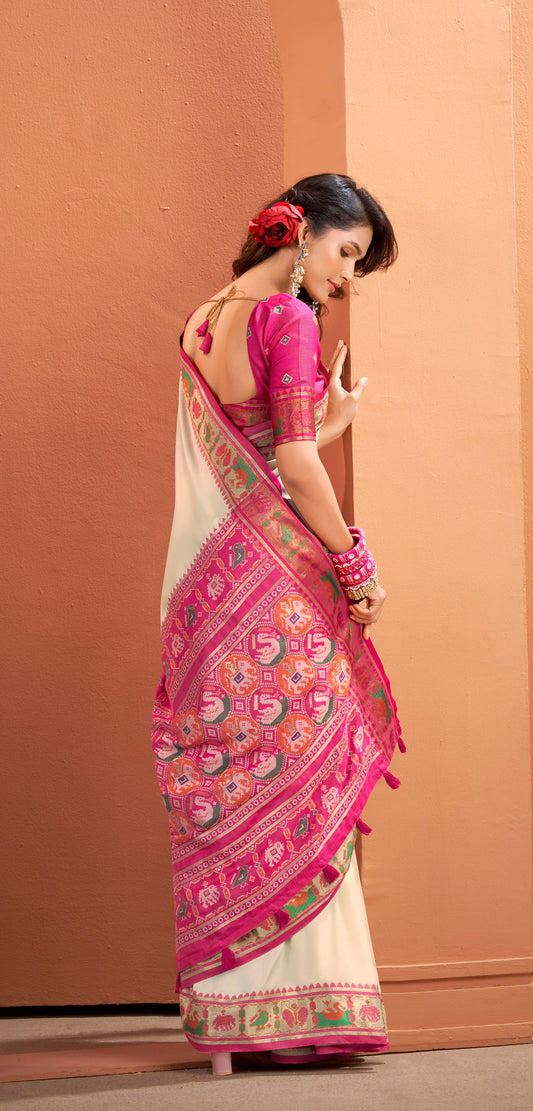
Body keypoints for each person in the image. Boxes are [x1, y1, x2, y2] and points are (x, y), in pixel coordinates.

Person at [151, 173, 404, 1075]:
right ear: (300, 235)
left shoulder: (201, 317)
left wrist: (325, 424)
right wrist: (353, 562)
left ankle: (226, 1021)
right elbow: (290, 463)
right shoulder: (288, 321)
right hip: (274, 590)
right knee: (300, 775)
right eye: (345, 254)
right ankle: (302, 1010)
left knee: (230, 775)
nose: (345, 279)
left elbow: (256, 452)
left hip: (202, 589)